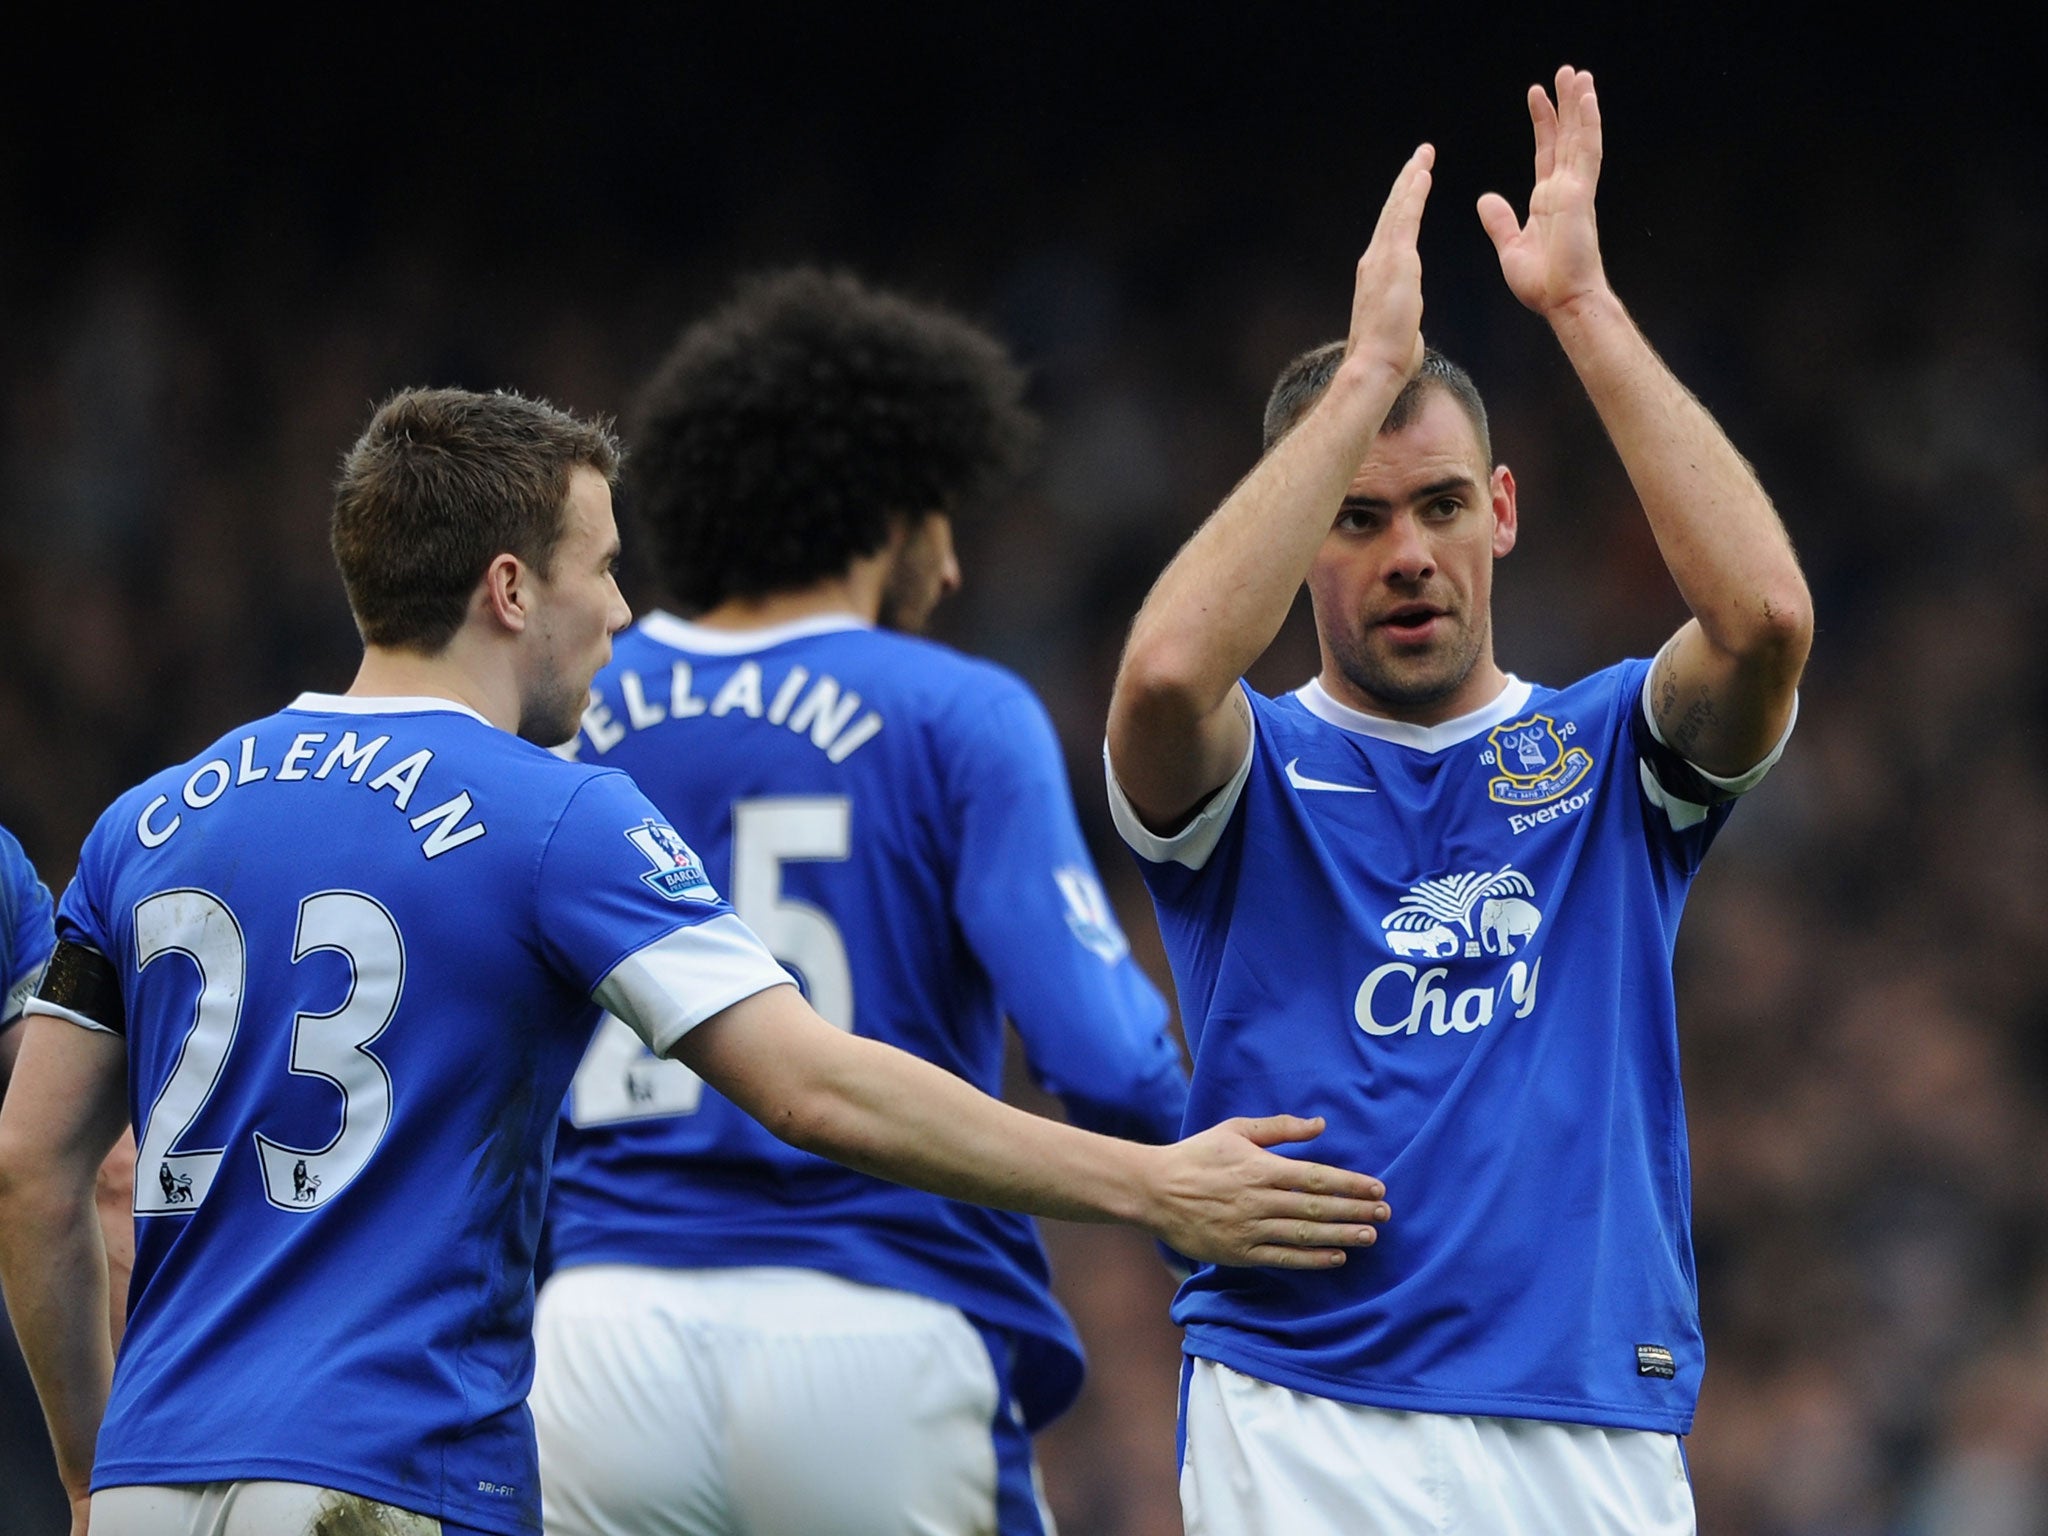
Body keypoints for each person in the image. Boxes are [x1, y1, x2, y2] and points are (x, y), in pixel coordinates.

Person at [0, 386, 1389, 1536]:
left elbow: (33, 1169)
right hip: (394, 1471)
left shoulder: (148, 821)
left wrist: (86, 1458)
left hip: (152, 1480)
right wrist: (1155, 1185)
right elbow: (809, 1092)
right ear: (507, 589)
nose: (619, 612)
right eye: (600, 570)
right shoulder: (554, 813)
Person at [1104, 68, 1810, 1534]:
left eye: (1436, 506)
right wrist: (1362, 379)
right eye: (1355, 519)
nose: (1406, 554)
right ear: (1302, 536)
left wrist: (1582, 310)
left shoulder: (1609, 751)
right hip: (1302, 1405)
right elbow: (1167, 676)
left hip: (1588, 1419)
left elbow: (1764, 624)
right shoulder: (1248, 776)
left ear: (1499, 508)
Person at [532, 269, 1189, 1536]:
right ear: (890, 509)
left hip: (594, 1337)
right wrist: (1200, 1197)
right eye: (944, 520)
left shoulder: (559, 721)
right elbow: (1104, 1057)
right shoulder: (957, 711)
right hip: (876, 1327)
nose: (948, 572)